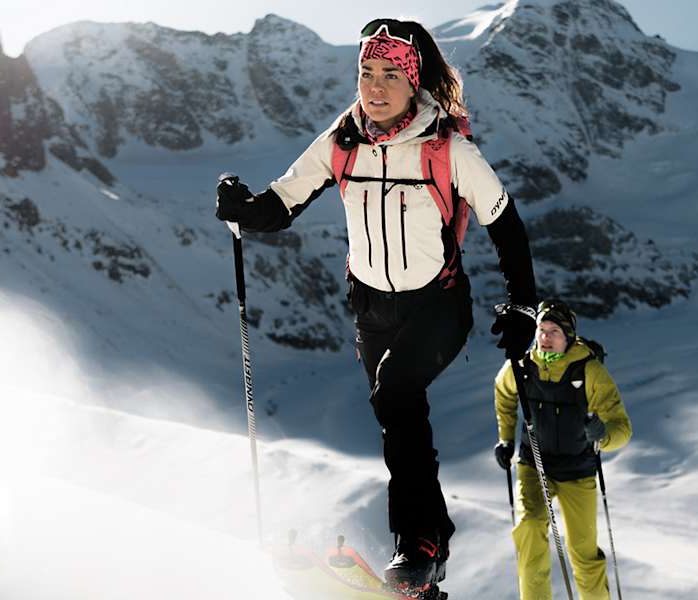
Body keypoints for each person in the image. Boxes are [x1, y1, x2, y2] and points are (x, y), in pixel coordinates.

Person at [214, 18, 539, 591]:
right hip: (371, 308)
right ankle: (429, 559)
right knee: (398, 421)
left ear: (413, 82)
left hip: (438, 305)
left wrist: (523, 308)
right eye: (367, 71)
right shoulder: (342, 141)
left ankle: (414, 545)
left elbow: (504, 224)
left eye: (390, 73)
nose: (376, 86)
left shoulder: (447, 147)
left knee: (397, 396)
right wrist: (243, 209)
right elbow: (285, 201)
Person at [493, 300, 632, 600]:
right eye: (541, 330)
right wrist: (506, 440)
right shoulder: (521, 365)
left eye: (553, 331)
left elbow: (622, 428)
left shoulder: (590, 371)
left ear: (568, 335)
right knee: (529, 529)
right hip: (535, 465)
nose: (545, 337)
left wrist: (603, 435)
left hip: (577, 471)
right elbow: (503, 392)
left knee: (583, 554)